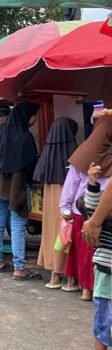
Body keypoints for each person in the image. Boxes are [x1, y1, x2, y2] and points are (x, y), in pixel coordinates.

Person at [0, 102, 42, 281]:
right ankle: (19, 268)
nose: (35, 119)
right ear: (26, 116)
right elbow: (31, 165)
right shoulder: (25, 137)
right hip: (16, 184)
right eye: (34, 115)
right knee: (17, 225)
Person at [62, 115, 112, 299]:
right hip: (102, 215)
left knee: (87, 253)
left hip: (82, 212)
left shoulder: (83, 155)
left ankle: (86, 289)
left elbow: (71, 185)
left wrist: (65, 208)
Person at [33, 118, 79, 290]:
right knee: (68, 234)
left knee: (52, 232)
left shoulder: (47, 151)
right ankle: (71, 278)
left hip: (49, 194)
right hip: (68, 198)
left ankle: (54, 276)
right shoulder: (74, 151)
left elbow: (39, 173)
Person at [80, 162, 112, 350]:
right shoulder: (100, 211)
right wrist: (92, 182)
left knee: (105, 319)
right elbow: (91, 206)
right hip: (106, 271)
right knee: (104, 320)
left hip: (106, 271)